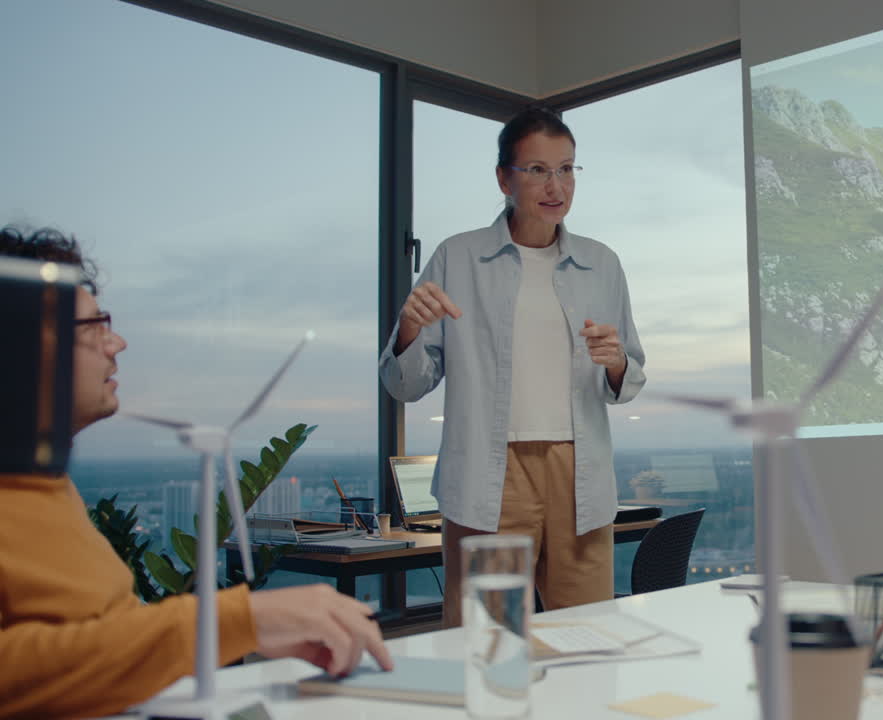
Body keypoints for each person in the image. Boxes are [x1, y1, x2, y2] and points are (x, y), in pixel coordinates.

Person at [0, 226, 393, 718]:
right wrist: (238, 622)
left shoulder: (42, 490)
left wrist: (242, 632)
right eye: (95, 327)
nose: (117, 343)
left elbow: (91, 648)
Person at [380, 107, 646, 627]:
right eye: (538, 170)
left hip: (580, 475)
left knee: (589, 638)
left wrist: (616, 362)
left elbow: (628, 377)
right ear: (504, 178)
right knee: (489, 641)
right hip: (489, 474)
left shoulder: (602, 264)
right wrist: (409, 328)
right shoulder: (457, 257)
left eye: (566, 169)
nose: (556, 186)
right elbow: (404, 385)